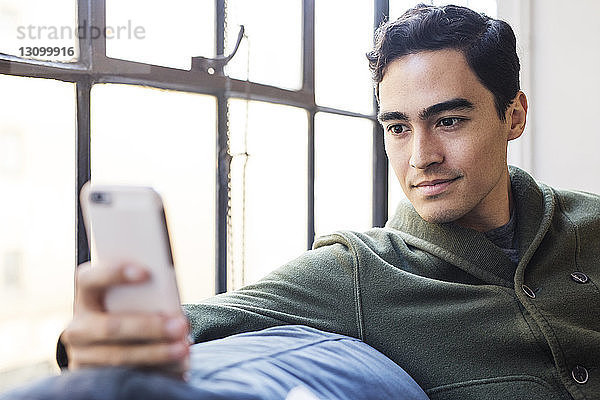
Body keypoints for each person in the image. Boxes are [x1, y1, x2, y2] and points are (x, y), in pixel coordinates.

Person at [5, 3, 599, 400]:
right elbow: (193, 326)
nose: (421, 155)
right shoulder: (356, 271)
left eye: (448, 120)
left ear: (513, 115)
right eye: (396, 126)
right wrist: (88, 342)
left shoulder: (591, 224)